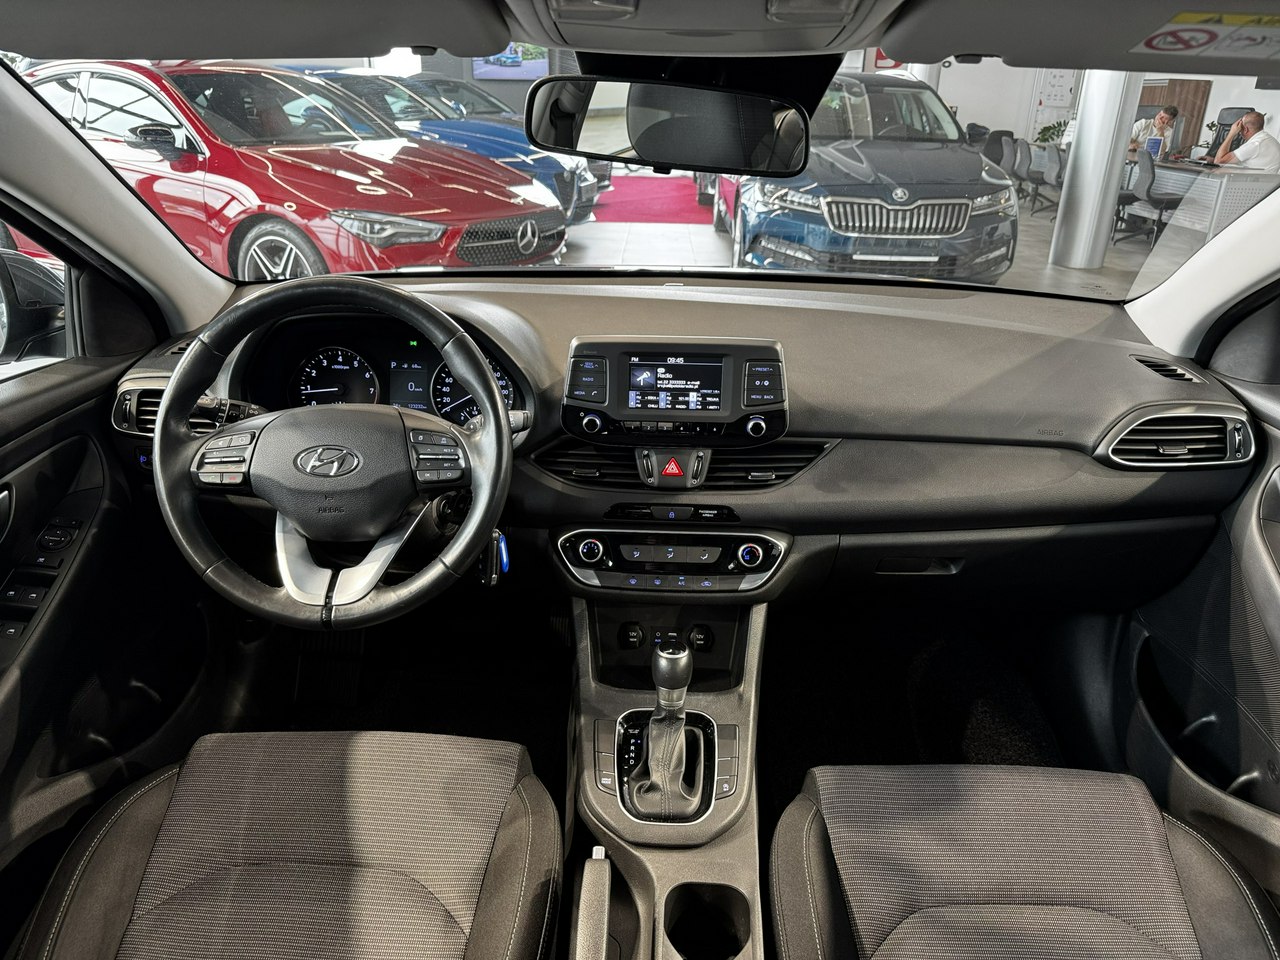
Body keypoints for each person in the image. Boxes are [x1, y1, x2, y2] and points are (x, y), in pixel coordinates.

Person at [1215, 111, 1280, 174]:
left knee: (1216, 171)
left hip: (1246, 180)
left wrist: (1231, 133)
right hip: (1264, 180)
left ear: (1245, 129)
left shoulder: (1254, 145)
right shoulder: (1272, 141)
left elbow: (1218, 162)